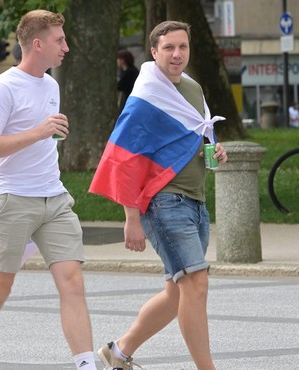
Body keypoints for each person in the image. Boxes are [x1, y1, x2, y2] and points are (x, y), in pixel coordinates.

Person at [0, 9, 97, 370]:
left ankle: (86, 364)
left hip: (53, 198)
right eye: (59, 40)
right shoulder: (2, 88)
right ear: (37, 44)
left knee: (72, 282)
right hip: (10, 199)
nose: (66, 47)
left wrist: (46, 136)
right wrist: (38, 132)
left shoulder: (51, 84)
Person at [90, 21, 227, 370]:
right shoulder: (147, 93)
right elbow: (124, 155)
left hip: (195, 202)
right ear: (154, 52)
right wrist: (131, 218)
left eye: (182, 47)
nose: (177, 54)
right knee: (196, 287)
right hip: (166, 203)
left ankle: (117, 353)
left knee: (174, 294)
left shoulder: (193, 89)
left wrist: (214, 149)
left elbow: (191, 137)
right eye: (168, 48)